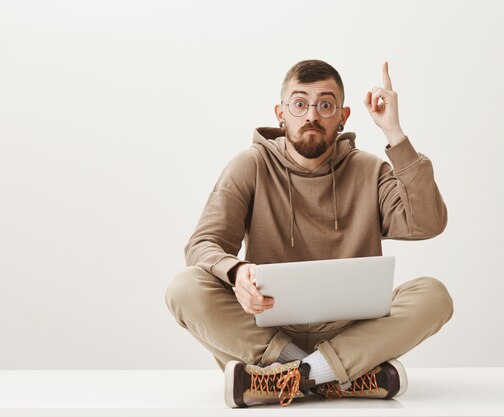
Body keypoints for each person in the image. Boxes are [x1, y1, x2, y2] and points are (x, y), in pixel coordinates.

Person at [165, 59, 454, 408]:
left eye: (325, 105)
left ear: (343, 115)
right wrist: (237, 271)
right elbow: (202, 244)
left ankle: (284, 380)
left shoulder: (369, 170)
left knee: (434, 295)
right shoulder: (250, 165)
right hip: (268, 333)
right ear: (281, 113)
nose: (311, 116)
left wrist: (395, 134)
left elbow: (428, 222)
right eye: (300, 104)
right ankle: (334, 377)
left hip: (352, 332)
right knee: (184, 287)